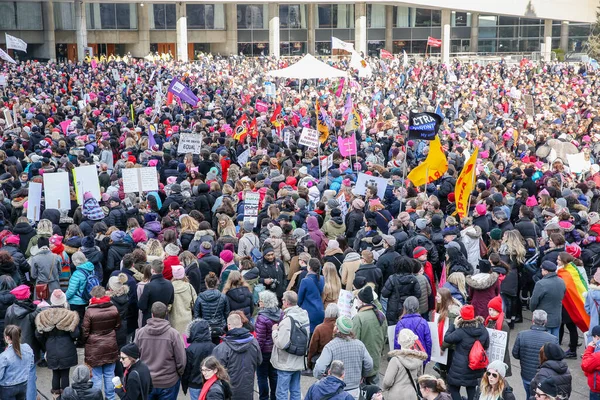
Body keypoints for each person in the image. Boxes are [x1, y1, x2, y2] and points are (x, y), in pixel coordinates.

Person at [135, 302, 187, 400]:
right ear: (166, 314)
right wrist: (179, 373)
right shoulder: (173, 334)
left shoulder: (140, 333)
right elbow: (181, 359)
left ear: (152, 314)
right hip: (168, 381)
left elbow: (134, 356)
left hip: (147, 380)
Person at [314, 316, 374, 399]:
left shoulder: (330, 346)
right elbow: (369, 364)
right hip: (354, 389)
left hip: (335, 390)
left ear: (337, 329)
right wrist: (362, 375)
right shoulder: (360, 345)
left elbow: (319, 368)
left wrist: (322, 379)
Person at [34, 290, 80, 397]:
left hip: (51, 348)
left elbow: (38, 334)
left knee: (55, 374)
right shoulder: (70, 315)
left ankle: (55, 397)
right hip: (67, 348)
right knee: (65, 375)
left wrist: (45, 344)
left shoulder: (43, 316)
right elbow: (75, 334)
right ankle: (65, 397)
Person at [442, 305, 489, 400]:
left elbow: (447, 338)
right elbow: (486, 345)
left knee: (453, 388)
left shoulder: (461, 331)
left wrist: (453, 325)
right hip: (476, 365)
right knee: (471, 389)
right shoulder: (483, 329)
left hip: (460, 366)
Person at [82, 285, 121, 400]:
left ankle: (97, 398)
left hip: (94, 348)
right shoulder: (113, 308)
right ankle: (110, 397)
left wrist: (84, 341)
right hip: (110, 345)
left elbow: (85, 331)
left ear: (93, 296)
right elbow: (118, 326)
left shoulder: (90, 311)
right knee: (110, 375)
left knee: (96, 377)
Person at [212, 313, 262, 400]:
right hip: (248, 390)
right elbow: (259, 361)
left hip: (229, 392)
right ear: (241, 324)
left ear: (229, 326)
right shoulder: (254, 342)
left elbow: (216, 372)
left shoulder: (221, 348)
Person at [270, 290, 309, 400]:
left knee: (282, 392)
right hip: (298, 358)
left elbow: (281, 343)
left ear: (286, 302)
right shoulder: (304, 315)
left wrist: (275, 331)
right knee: (295, 389)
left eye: (283, 299)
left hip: (286, 362)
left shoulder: (287, 320)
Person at [511, 309, 559, 396]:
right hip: (544, 378)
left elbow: (515, 354)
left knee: (529, 395)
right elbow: (556, 360)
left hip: (526, 375)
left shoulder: (522, 335)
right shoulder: (553, 339)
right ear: (546, 321)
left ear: (532, 320)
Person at [352, 285, 386, 384]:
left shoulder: (358, 318)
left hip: (362, 362)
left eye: (357, 299)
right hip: (376, 356)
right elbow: (385, 337)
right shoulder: (380, 315)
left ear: (362, 302)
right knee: (375, 388)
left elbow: (354, 341)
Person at [382, 328, 428, 399]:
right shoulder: (418, 359)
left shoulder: (395, 360)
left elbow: (387, 381)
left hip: (396, 395)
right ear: (413, 341)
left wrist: (384, 388)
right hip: (411, 394)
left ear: (399, 341)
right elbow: (419, 378)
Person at [255, 290, 283, 400]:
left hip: (264, 352)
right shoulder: (280, 313)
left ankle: (264, 398)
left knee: (262, 377)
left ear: (265, 302)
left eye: (260, 301)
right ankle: (274, 397)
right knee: (274, 375)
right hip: (275, 349)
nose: (258, 302)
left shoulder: (262, 317)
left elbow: (260, 339)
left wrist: (257, 353)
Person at [529, 261, 566, 338]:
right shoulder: (561, 281)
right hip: (557, 318)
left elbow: (534, 302)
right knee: (554, 342)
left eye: (542, 269)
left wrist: (533, 311)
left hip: (543, 319)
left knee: (544, 344)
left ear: (546, 271)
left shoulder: (541, 284)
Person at [182, 319, 216, 400]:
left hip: (194, 384)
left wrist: (184, 385)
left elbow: (187, 369)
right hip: (211, 383)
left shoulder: (190, 349)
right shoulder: (214, 347)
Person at [381, 256, 421, 325]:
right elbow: (418, 294)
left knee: (394, 328)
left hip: (394, 308)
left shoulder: (392, 279)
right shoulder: (413, 279)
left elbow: (384, 293)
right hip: (409, 307)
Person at [0, 325, 35, 400]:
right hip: (23, 384)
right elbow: (31, 364)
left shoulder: (4, 356)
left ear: (7, 338)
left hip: (7, 387)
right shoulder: (27, 348)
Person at [194, 272, 230, 345]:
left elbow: (197, 316)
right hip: (221, 327)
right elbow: (227, 313)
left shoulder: (200, 297)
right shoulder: (223, 297)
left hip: (206, 329)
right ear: (217, 283)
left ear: (206, 283)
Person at [393, 296, 432, 362]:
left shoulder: (400, 323)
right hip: (420, 356)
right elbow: (428, 342)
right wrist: (427, 358)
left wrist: (397, 357)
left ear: (404, 307)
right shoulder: (423, 322)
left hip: (405, 357)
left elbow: (397, 343)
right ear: (417, 307)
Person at [138, 260, 175, 326]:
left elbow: (141, 305)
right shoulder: (169, 284)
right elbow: (171, 301)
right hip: (164, 318)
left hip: (150, 319)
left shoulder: (148, 286)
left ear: (152, 271)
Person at [484, 297, 511, 377]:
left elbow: (505, 344)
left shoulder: (503, 325)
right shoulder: (489, 320)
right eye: (490, 310)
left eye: (494, 310)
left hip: (499, 356)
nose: (491, 312)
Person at [29, 236, 62, 301]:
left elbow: (33, 275)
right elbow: (60, 272)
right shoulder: (56, 257)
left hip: (41, 287)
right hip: (54, 286)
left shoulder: (35, 259)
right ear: (48, 245)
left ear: (38, 246)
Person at [298, 258, 325, 333]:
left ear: (309, 268)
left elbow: (299, 299)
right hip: (320, 309)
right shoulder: (322, 279)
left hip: (308, 312)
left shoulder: (305, 281)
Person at [170, 265, 197, 337]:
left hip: (174, 320)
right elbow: (195, 303)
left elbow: (168, 306)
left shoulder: (170, 287)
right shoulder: (189, 287)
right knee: (186, 342)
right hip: (187, 319)